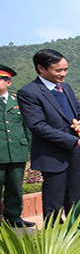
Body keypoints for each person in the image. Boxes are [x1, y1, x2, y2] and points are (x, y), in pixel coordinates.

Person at [17, 49, 80, 226]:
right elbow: (38, 126)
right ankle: (54, 239)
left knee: (75, 198)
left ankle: (77, 234)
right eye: (58, 70)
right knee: (54, 201)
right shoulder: (29, 92)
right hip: (52, 155)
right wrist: (73, 140)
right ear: (41, 68)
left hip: (74, 151)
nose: (63, 74)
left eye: (65, 69)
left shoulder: (65, 87)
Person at [0, 65, 34, 228]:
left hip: (17, 152)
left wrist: (29, 149)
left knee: (15, 187)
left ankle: (13, 216)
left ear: (8, 82)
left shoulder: (18, 102)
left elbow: (27, 127)